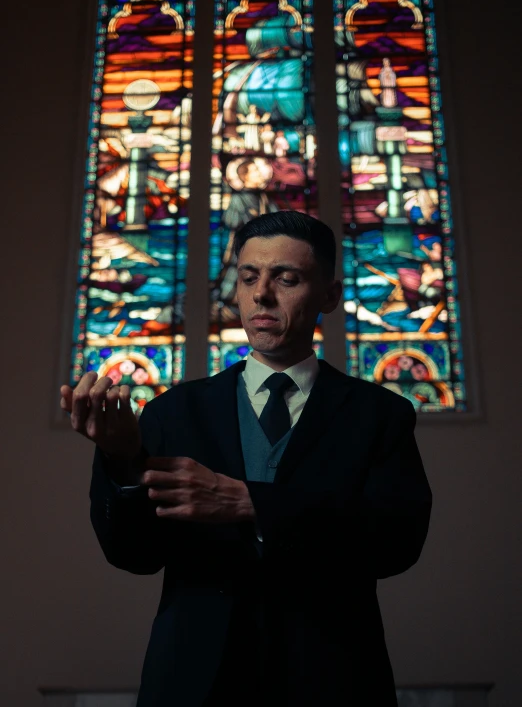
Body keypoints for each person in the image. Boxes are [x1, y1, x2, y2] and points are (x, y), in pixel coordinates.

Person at [60, 210, 432, 707]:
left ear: (330, 295)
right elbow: (135, 555)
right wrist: (122, 458)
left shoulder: (380, 414)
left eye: (287, 278)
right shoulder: (174, 410)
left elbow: (397, 542)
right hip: (194, 683)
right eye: (249, 277)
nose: (262, 294)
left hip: (333, 677)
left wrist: (250, 503)